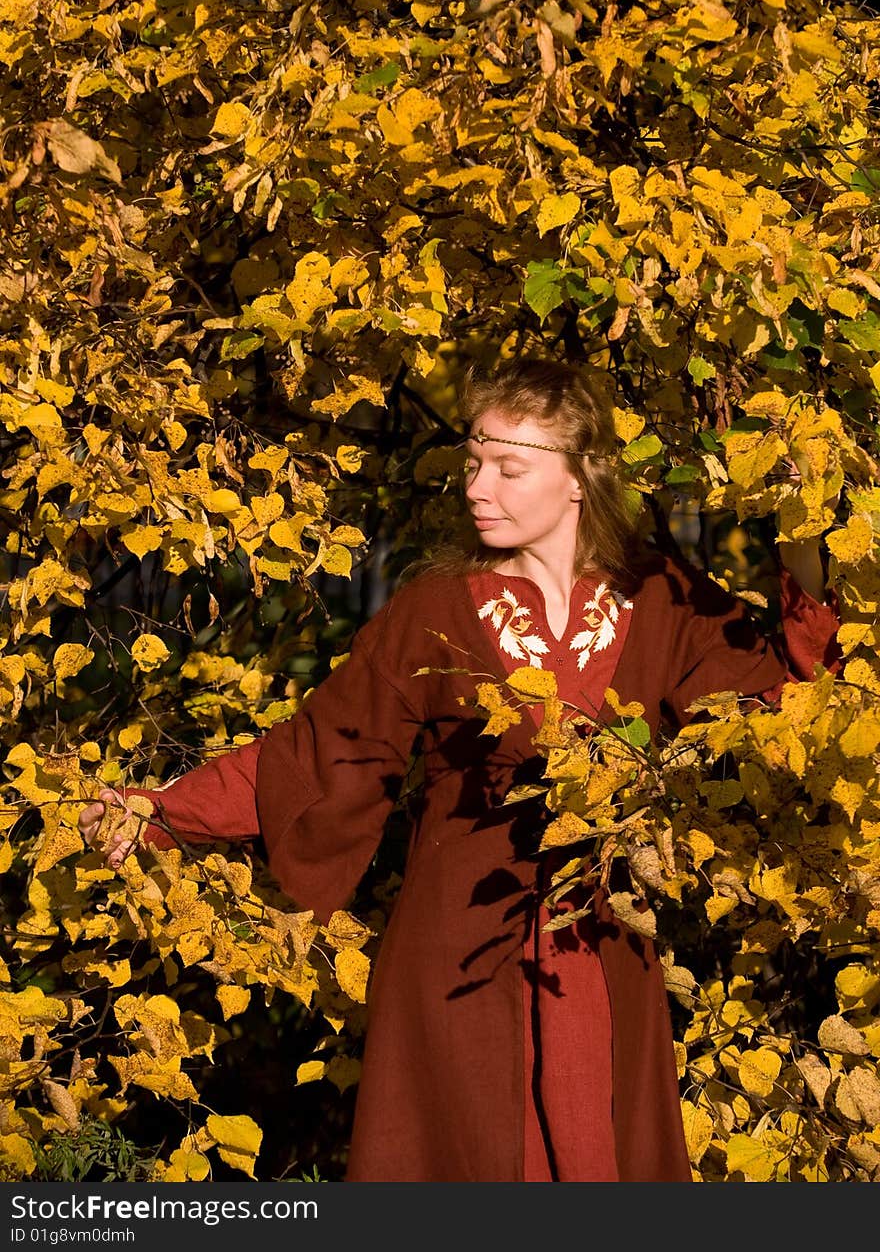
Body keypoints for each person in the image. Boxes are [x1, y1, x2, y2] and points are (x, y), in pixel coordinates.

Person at [79, 357, 842, 1182]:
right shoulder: (433, 611)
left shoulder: (658, 595)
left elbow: (778, 691)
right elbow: (321, 751)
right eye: (475, 463)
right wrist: (160, 809)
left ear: (580, 479)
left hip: (606, 948)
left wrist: (802, 534)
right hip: (457, 959)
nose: (479, 487)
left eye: (510, 469)